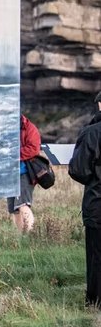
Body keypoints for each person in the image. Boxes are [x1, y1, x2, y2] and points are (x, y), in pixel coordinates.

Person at [69, 91, 101, 307]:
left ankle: (96, 303)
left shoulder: (90, 133)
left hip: (97, 204)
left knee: (97, 257)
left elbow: (78, 170)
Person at [8, 114, 42, 233]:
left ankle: (30, 236)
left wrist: (13, 154)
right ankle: (22, 239)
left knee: (23, 205)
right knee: (15, 209)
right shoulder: (4, 127)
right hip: (10, 173)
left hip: (24, 173)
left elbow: (34, 149)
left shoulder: (29, 128)